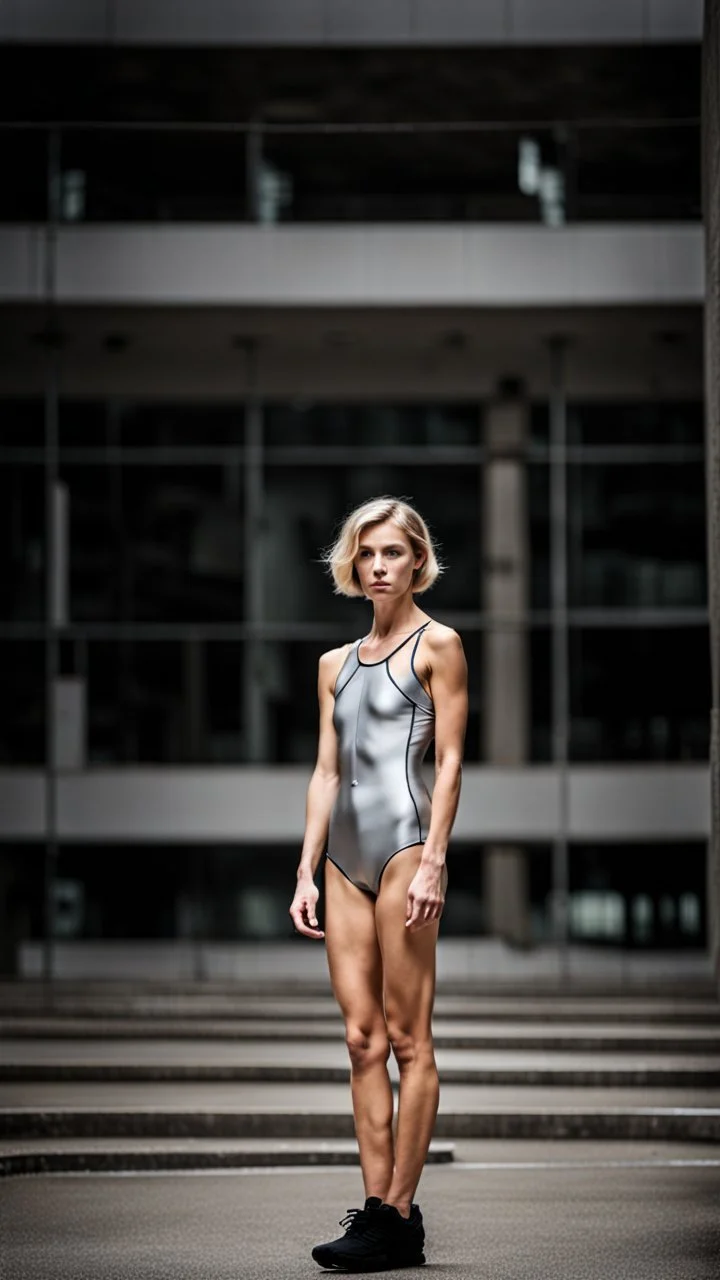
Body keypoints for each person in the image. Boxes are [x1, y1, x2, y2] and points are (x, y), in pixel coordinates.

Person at [289, 495, 468, 1272]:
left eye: (393, 552)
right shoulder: (333, 664)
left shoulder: (441, 645)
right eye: (367, 554)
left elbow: (452, 761)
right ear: (352, 565)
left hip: (404, 849)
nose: (379, 565)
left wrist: (435, 859)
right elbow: (328, 771)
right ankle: (377, 1214)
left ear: (418, 560)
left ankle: (399, 1210)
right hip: (343, 862)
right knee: (361, 1041)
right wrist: (305, 867)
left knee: (407, 1038)